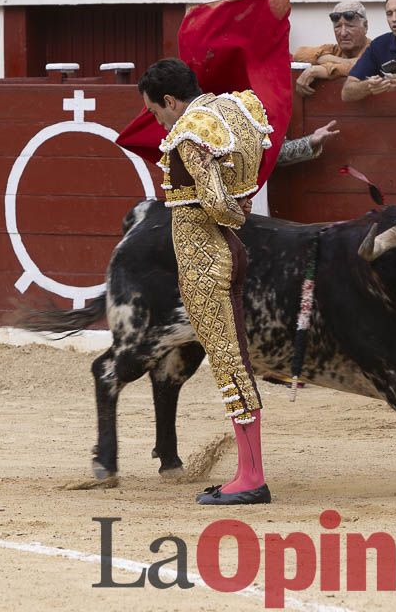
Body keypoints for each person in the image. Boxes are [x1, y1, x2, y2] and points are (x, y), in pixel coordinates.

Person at [139, 57, 274, 505]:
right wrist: (242, 212)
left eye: (157, 111)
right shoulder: (236, 109)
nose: (159, 121)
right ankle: (248, 471)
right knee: (232, 359)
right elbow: (241, 185)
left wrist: (232, 215)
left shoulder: (189, 130)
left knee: (229, 364)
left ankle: (250, 477)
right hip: (229, 249)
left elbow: (216, 201)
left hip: (205, 257)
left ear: (171, 100)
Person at [291, 1, 370, 96]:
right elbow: (299, 53)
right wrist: (339, 61)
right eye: (338, 27)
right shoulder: (333, 50)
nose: (343, 33)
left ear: (365, 26)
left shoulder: (376, 49)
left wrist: (323, 70)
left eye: (350, 26)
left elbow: (363, 65)